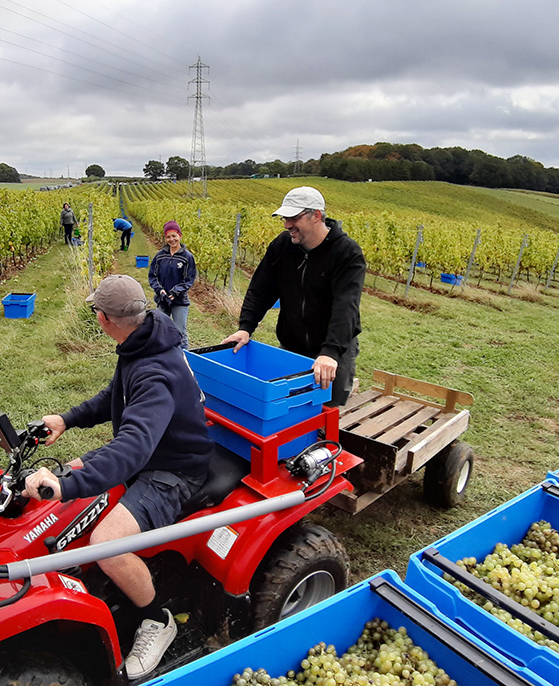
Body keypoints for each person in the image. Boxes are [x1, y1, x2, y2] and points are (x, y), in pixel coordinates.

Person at [23, 274, 212, 680]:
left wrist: (67, 485)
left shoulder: (155, 371)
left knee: (105, 544)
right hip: (154, 455)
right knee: (75, 474)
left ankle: (158, 619)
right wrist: (67, 419)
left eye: (96, 311)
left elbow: (133, 447)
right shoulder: (143, 339)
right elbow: (116, 397)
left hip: (174, 470)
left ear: (105, 318)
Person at [222, 186, 365, 407]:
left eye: (293, 218)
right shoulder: (282, 246)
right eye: (284, 218)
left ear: (316, 215)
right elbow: (261, 289)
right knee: (290, 406)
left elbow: (346, 305)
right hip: (292, 345)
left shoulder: (347, 253)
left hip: (333, 346)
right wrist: (245, 327)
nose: (287, 225)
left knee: (327, 407)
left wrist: (330, 352)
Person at [148, 220, 196, 349]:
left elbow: (189, 279)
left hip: (179, 301)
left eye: (174, 235)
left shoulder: (187, 257)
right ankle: (162, 358)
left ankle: (183, 359)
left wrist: (175, 292)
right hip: (163, 300)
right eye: (168, 237)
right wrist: (160, 291)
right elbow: (152, 276)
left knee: (180, 333)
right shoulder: (160, 256)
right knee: (160, 331)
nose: (171, 239)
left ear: (179, 235)